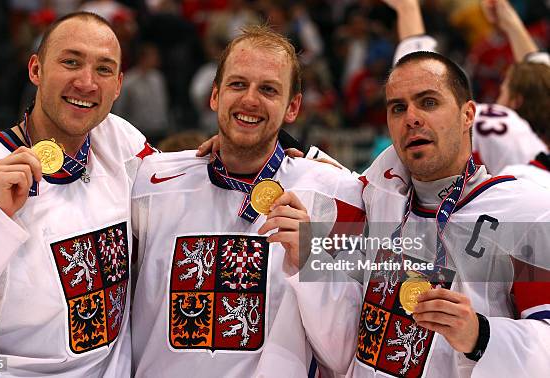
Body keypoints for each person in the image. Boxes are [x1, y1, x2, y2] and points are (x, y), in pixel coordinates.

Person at [289, 50, 550, 377]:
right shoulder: (379, 193)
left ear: (467, 114)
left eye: (428, 102)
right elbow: (321, 179)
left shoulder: (525, 211)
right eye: (398, 108)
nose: (411, 117)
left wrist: (479, 335)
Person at [128, 25, 365, 377]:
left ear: (293, 107)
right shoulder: (150, 180)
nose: (250, 99)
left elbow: (345, 356)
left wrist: (310, 260)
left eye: (268, 89)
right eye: (238, 85)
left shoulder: (338, 196)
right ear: (215, 96)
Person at [0, 12, 149, 376]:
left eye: (103, 69)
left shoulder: (119, 141)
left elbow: (184, 185)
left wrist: (274, 157)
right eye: (71, 62)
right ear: (35, 70)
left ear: (117, 86)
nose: (86, 82)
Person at [384, 0, 548, 175]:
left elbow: (419, 77)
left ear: (516, 102)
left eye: (503, 91)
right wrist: (511, 24)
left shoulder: (492, 122)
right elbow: (541, 78)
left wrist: (407, 8)